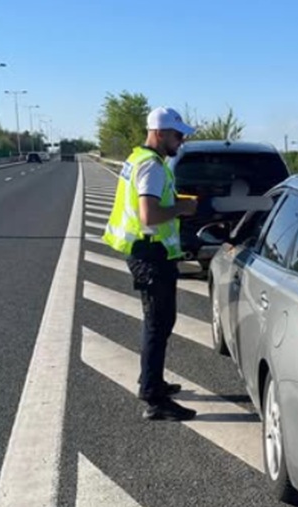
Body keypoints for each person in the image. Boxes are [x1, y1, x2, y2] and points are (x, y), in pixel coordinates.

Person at [103, 106, 198, 421]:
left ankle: (152, 382)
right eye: (177, 135)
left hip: (148, 252)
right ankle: (153, 398)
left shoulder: (139, 159)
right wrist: (182, 209)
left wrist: (176, 202)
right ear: (159, 133)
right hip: (151, 254)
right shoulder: (152, 167)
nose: (181, 141)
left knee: (160, 322)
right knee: (158, 324)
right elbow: (150, 214)